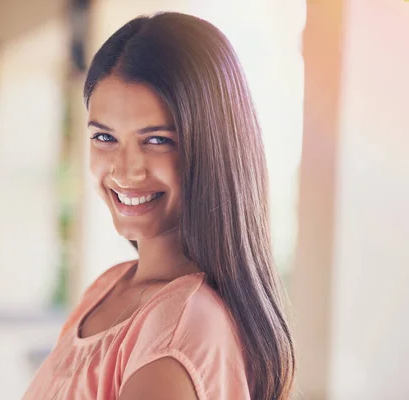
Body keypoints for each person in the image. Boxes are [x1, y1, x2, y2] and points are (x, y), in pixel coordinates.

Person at [22, 11, 295, 400]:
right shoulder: (108, 288)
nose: (125, 170)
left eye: (157, 140)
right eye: (104, 136)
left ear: (214, 148)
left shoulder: (180, 326)